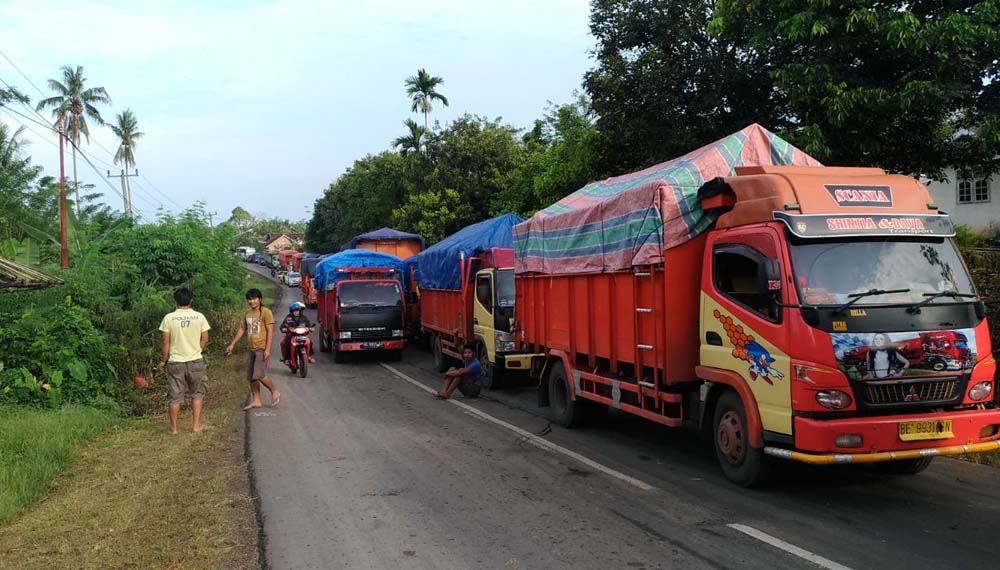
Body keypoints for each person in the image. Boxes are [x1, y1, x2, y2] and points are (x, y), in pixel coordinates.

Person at [158, 287, 211, 434]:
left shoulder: (169, 318)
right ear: (191, 300)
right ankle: (196, 426)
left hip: (175, 361)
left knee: (175, 396)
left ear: (175, 301)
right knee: (197, 393)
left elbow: (165, 342)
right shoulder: (199, 317)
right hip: (195, 360)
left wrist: (163, 361)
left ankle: (174, 429)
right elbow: (205, 339)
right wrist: (197, 350)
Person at [226, 288, 281, 409]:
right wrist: (232, 344)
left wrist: (267, 349)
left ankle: (274, 391)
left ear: (260, 299)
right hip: (251, 348)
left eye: (255, 299)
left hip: (261, 348)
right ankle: (256, 400)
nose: (252, 301)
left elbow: (270, 332)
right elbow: (242, 329)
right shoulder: (247, 313)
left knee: (259, 375)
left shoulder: (266, 312)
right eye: (250, 299)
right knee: (251, 376)